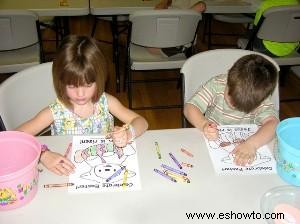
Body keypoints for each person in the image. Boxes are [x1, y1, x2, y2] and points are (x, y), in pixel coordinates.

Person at [16, 35, 148, 176]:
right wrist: (43, 155)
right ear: (60, 82)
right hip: (66, 171)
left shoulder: (107, 102)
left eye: (88, 85)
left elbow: (142, 122)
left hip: (104, 166)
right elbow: (16, 137)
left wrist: (128, 134)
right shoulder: (55, 111)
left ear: (100, 79)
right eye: (72, 86)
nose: (80, 94)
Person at [184, 54, 279, 166]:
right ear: (229, 78)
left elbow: (273, 124)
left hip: (248, 141)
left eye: (240, 106)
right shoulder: (217, 84)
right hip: (211, 140)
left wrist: (252, 144)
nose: (233, 104)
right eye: (231, 96)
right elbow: (189, 107)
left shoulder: (260, 97)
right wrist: (204, 124)